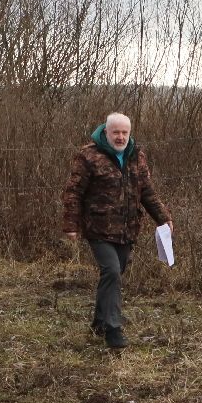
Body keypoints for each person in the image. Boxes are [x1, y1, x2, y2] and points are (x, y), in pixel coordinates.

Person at [61, 112, 171, 350]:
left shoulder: (136, 156)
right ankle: (113, 328)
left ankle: (99, 323)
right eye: (116, 132)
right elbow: (73, 192)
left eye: (124, 133)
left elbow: (147, 191)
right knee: (111, 271)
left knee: (114, 274)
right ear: (106, 132)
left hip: (128, 229)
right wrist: (71, 224)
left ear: (130, 133)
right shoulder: (88, 156)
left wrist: (163, 218)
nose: (120, 137)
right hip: (98, 227)